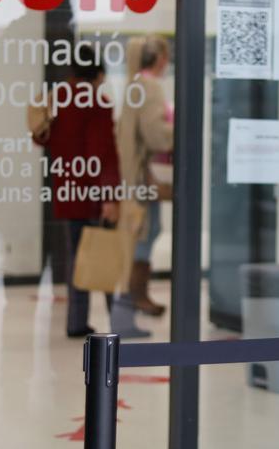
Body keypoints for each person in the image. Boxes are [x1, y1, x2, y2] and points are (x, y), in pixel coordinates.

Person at [28, 46, 120, 337]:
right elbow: (101, 151)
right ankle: (115, 319)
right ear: (98, 73)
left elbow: (44, 139)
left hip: (67, 190)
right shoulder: (96, 102)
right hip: (92, 194)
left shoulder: (59, 98)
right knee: (103, 255)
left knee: (76, 257)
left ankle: (77, 320)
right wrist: (109, 195)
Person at [113, 35, 174, 337]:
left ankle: (137, 299)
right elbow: (156, 136)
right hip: (143, 177)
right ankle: (135, 299)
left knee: (140, 237)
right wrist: (179, 126)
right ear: (159, 58)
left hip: (131, 176)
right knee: (143, 237)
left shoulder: (133, 83)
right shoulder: (150, 86)